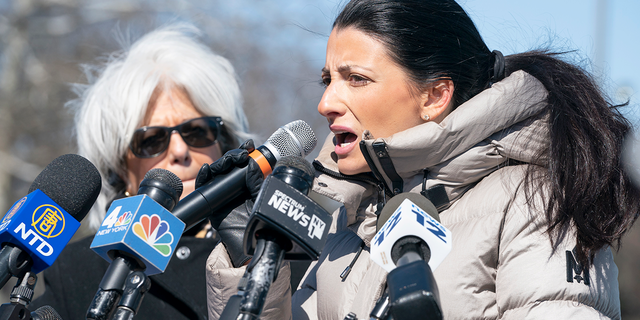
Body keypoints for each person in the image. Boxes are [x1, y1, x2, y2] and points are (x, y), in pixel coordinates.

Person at [204, 0, 639, 319]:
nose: (325, 103)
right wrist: (250, 258)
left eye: (356, 79)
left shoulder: (530, 200)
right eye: (328, 79)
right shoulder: (353, 215)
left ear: (434, 96)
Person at [30, 23, 256, 320]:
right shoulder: (76, 270)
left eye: (198, 132)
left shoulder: (277, 250)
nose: (179, 151)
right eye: (151, 141)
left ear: (224, 143)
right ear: (120, 170)